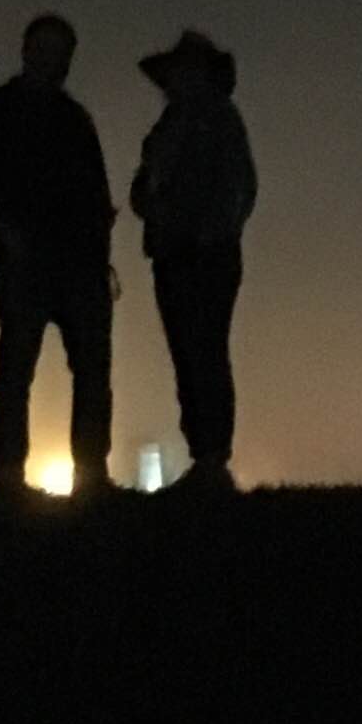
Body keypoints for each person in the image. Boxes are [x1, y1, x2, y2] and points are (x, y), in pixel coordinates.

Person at [0, 14, 116, 503]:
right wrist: (9, 233)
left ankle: (88, 475)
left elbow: (95, 190)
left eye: (60, 51)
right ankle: (13, 476)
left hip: (75, 264)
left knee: (84, 371)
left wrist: (99, 252)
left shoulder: (71, 118)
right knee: (19, 368)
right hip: (29, 259)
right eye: (46, 48)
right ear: (27, 49)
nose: (53, 59)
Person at [131, 31, 256, 488]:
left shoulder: (218, 118)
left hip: (204, 256)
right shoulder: (172, 124)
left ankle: (211, 459)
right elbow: (144, 187)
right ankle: (205, 457)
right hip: (174, 254)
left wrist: (209, 234)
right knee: (189, 354)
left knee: (203, 353)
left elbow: (239, 187)